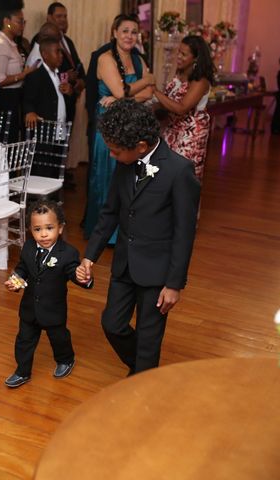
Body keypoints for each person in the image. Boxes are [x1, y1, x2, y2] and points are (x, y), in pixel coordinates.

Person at [76, 99, 200, 375]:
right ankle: (144, 371)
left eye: (115, 152)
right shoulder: (125, 162)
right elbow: (109, 212)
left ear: (141, 146)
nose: (112, 156)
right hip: (124, 265)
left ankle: (143, 378)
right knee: (112, 324)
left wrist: (174, 284)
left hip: (158, 273)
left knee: (148, 336)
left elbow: (184, 233)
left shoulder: (179, 172)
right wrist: (90, 256)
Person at [4, 199, 93, 388]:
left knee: (59, 338)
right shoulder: (28, 247)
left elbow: (73, 272)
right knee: (24, 340)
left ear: (60, 228)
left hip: (53, 309)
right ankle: (22, 371)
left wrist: (83, 277)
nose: (43, 234)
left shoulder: (68, 253)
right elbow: (22, 269)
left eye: (49, 228)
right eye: (37, 229)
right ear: (30, 230)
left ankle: (66, 359)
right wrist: (16, 281)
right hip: (29, 308)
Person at [83, 14, 155, 241]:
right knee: (107, 176)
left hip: (130, 124)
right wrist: (145, 81)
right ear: (114, 32)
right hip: (109, 125)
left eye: (134, 32)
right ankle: (104, 232)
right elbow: (133, 89)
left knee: (128, 177)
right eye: (125, 31)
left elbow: (149, 93)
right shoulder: (105, 58)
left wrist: (121, 98)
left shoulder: (137, 58)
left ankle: (124, 230)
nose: (130, 36)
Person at [153, 35, 214, 183]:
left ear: (195, 58)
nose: (178, 56)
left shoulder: (201, 81)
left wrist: (153, 91)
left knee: (183, 180)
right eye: (178, 52)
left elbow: (181, 108)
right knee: (164, 178)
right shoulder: (179, 74)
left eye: (184, 54)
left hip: (190, 136)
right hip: (171, 131)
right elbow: (167, 103)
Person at [0, 0, 36, 143]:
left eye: (23, 22)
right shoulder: (0, 45)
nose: (22, 26)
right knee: (6, 140)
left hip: (14, 99)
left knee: (14, 139)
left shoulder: (12, 43)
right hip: (5, 100)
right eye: (19, 22)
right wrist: (24, 74)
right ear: (6, 21)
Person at [23, 38, 73, 129]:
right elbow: (26, 100)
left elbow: (64, 100)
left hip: (61, 129)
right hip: (44, 131)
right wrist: (29, 112)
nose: (61, 56)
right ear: (45, 55)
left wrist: (69, 92)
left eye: (61, 52)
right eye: (57, 52)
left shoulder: (61, 74)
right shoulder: (35, 76)